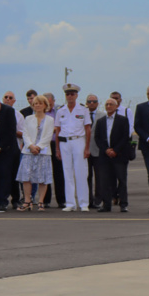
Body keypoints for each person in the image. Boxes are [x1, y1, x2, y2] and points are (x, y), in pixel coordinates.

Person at [55, 84, 92, 212]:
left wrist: (87, 148)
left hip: (78, 141)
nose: (69, 96)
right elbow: (57, 131)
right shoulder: (60, 111)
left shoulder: (83, 110)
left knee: (81, 173)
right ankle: (70, 203)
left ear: (76, 95)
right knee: (67, 173)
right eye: (67, 94)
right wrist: (57, 149)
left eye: (72, 94)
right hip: (65, 143)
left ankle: (84, 203)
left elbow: (88, 129)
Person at [16, 95, 54, 211]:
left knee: (42, 178)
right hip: (28, 151)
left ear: (45, 106)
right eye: (35, 103)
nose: (37, 105)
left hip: (43, 152)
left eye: (40, 103)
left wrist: (38, 147)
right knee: (26, 177)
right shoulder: (28, 118)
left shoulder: (50, 120)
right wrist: (31, 146)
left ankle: (41, 201)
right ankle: (27, 201)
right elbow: (25, 134)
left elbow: (48, 136)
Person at [94, 98, 130, 212]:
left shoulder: (123, 120)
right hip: (105, 156)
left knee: (121, 180)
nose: (108, 106)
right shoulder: (101, 121)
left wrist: (115, 150)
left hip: (119, 155)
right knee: (105, 181)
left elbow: (125, 137)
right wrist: (106, 150)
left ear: (116, 107)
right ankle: (106, 204)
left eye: (111, 104)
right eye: (107, 104)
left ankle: (123, 204)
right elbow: (97, 138)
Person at [2, 91, 25, 209]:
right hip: (1, 148)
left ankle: (15, 199)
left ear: (14, 101)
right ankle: (3, 200)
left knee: (14, 176)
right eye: (5, 97)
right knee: (3, 175)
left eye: (10, 97)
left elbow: (22, 133)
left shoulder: (18, 115)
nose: (7, 99)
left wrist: (11, 130)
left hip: (14, 147)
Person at [43, 92, 65, 208]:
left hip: (57, 144)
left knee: (59, 173)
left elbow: (62, 127)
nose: (48, 106)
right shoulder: (39, 111)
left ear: (53, 101)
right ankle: (46, 200)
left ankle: (61, 200)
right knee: (45, 173)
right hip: (44, 145)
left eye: (50, 104)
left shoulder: (60, 111)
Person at [85, 94, 105, 209]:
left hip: (98, 150)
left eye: (94, 101)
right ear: (86, 103)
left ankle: (98, 200)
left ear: (98, 103)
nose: (92, 103)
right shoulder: (82, 115)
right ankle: (88, 199)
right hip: (86, 150)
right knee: (87, 176)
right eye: (89, 101)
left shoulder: (102, 115)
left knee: (99, 176)